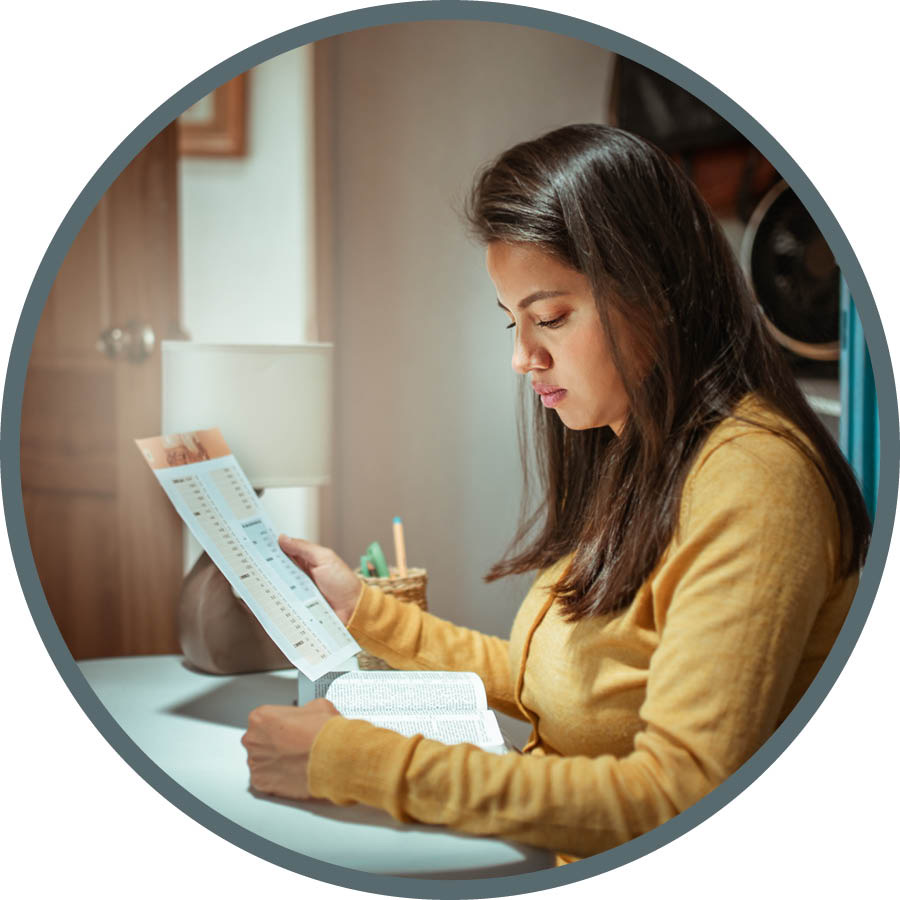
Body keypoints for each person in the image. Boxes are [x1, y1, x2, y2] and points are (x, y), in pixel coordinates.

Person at [239, 124, 870, 863]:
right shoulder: (637, 449)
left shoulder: (755, 485)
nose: (521, 357)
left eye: (550, 319)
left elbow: (681, 797)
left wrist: (361, 764)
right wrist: (362, 611)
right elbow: (552, 684)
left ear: (655, 290)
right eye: (514, 322)